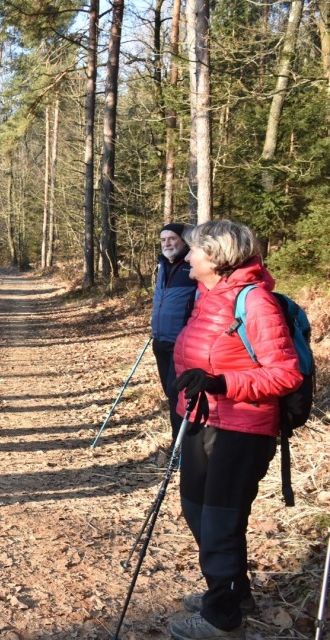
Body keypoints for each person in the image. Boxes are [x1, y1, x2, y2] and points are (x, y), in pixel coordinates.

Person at [168, 220, 302, 640]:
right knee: (196, 510)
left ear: (217, 256)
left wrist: (223, 383)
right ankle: (233, 591)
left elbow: (286, 374)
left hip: (243, 427)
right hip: (202, 419)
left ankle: (223, 620)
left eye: (194, 251)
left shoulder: (255, 301)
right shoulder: (207, 297)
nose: (187, 257)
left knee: (220, 522)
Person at [151, 222, 198, 440]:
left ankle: (179, 449)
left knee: (177, 394)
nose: (167, 243)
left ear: (184, 240)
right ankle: (178, 446)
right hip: (160, 341)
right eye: (163, 240)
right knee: (169, 393)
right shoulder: (161, 265)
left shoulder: (193, 266)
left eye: (172, 238)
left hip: (182, 343)